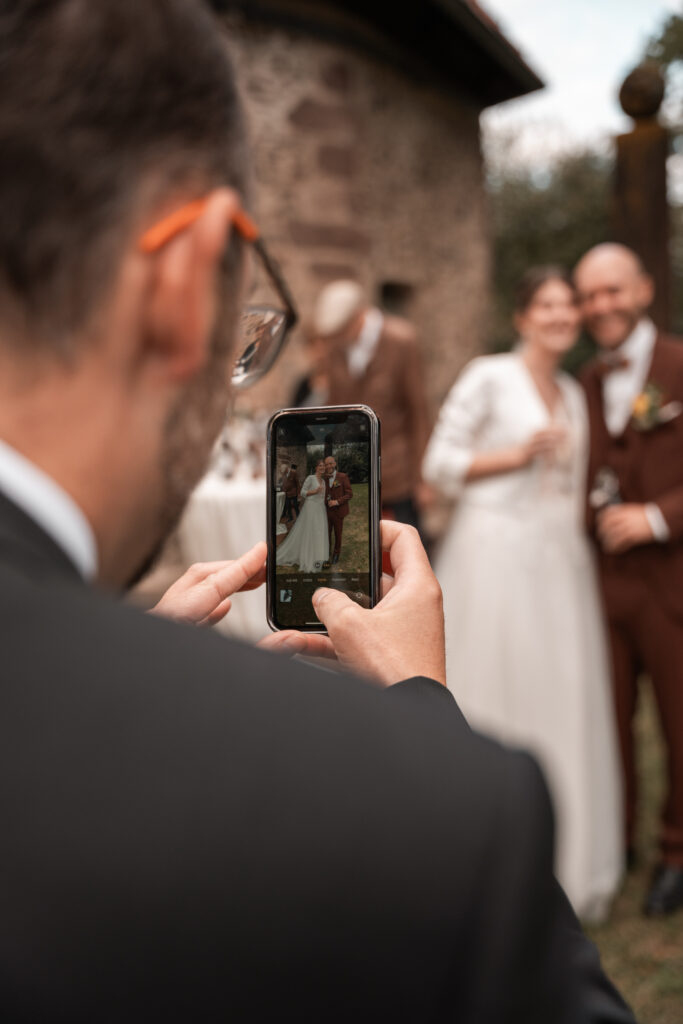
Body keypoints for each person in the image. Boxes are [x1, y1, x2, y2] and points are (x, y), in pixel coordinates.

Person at [0, 3, 635, 1021]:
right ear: (179, 287)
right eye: (239, 326)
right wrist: (422, 716)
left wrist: (112, 664)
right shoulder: (406, 805)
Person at [423, 267, 623, 923]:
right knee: (495, 699)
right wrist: (514, 455)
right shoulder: (488, 375)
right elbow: (438, 463)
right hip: (493, 558)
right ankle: (481, 866)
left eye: (568, 306)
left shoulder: (570, 389)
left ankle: (567, 861)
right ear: (522, 316)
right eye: (547, 305)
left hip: (557, 562)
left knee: (559, 697)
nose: (562, 316)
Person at [575, 242, 683, 917]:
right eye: (589, 295)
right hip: (595, 584)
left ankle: (676, 852)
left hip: (670, 579)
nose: (600, 306)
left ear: (642, 289)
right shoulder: (583, 378)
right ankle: (614, 843)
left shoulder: (680, 365)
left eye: (611, 291)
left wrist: (656, 517)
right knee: (605, 721)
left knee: (679, 723)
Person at [313, 280, 432, 532]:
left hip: (397, 473)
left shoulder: (401, 340)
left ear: (359, 317)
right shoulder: (336, 348)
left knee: (402, 549)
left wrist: (422, 478)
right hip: (353, 474)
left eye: (341, 330)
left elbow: (418, 411)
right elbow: (334, 410)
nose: (336, 339)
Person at [276, 459, 329, 571]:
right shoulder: (311, 478)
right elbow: (303, 493)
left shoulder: (323, 481)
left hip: (320, 509)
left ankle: (317, 557)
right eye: (320, 466)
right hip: (310, 508)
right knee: (309, 532)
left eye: (323, 466)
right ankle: (306, 556)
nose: (322, 467)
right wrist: (314, 491)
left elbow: (322, 496)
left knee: (318, 532)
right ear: (316, 467)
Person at [324, 453, 353, 565]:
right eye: (326, 464)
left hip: (338, 512)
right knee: (326, 534)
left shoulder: (342, 476)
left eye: (330, 463)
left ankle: (336, 553)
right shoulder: (324, 478)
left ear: (335, 464)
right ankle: (326, 554)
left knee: (337, 534)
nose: (328, 466)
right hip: (327, 512)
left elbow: (349, 494)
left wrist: (337, 502)